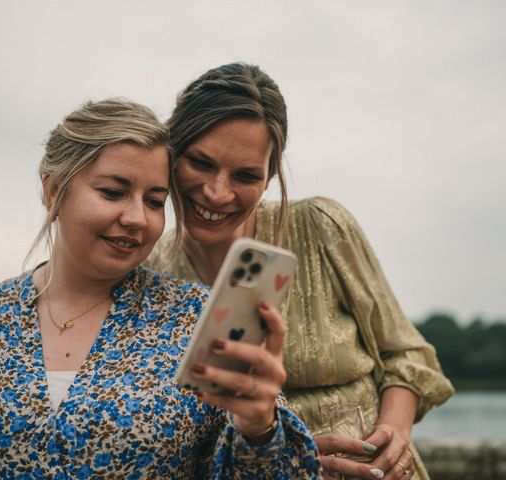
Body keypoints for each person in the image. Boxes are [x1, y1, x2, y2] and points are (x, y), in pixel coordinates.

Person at [0, 99, 321, 479]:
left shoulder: (194, 317)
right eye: (112, 191)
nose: (138, 218)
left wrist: (260, 426)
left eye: (155, 201)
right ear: (54, 190)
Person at [146, 63, 455, 480]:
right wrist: (291, 456)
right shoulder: (149, 269)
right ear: (171, 154)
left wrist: (393, 435)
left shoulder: (321, 227)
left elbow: (408, 354)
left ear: (270, 177)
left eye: (246, 175)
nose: (218, 192)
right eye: (201, 164)